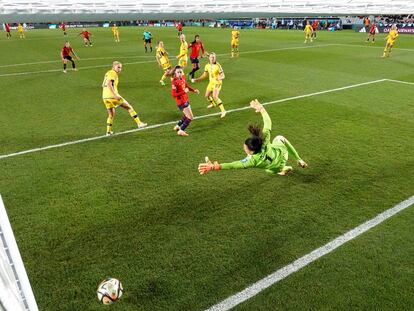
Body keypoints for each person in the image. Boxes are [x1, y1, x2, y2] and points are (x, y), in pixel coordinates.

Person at [198, 99, 308, 176]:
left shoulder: (252, 161)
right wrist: (262, 109)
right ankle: (299, 159)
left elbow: (234, 165)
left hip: (275, 167)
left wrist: (214, 167)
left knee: (269, 171)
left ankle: (283, 169)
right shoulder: (264, 139)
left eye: (246, 148)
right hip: (283, 155)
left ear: (252, 152)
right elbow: (268, 122)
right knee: (280, 138)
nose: (244, 148)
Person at [102, 61, 147, 136]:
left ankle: (108, 132)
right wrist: (115, 95)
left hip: (105, 97)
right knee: (129, 107)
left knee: (111, 114)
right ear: (113, 67)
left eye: (121, 68)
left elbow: (103, 84)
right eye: (118, 67)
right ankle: (139, 123)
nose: (120, 69)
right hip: (112, 96)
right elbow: (109, 83)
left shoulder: (108, 73)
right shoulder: (113, 73)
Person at [191, 52, 226, 118]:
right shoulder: (207, 66)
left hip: (217, 83)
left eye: (214, 57)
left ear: (215, 58)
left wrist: (219, 77)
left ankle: (223, 111)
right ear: (209, 58)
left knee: (215, 97)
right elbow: (204, 75)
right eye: (211, 57)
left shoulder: (218, 66)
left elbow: (223, 75)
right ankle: (213, 104)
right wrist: (196, 79)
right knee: (206, 96)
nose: (212, 59)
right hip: (211, 83)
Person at [171, 66, 199, 136]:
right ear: (175, 73)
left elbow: (186, 86)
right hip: (181, 102)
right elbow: (174, 95)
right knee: (190, 117)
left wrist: (193, 90)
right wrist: (184, 92)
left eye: (181, 72)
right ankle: (181, 130)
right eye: (178, 72)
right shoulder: (174, 82)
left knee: (186, 115)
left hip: (185, 99)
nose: (180, 73)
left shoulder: (183, 78)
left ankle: (177, 126)